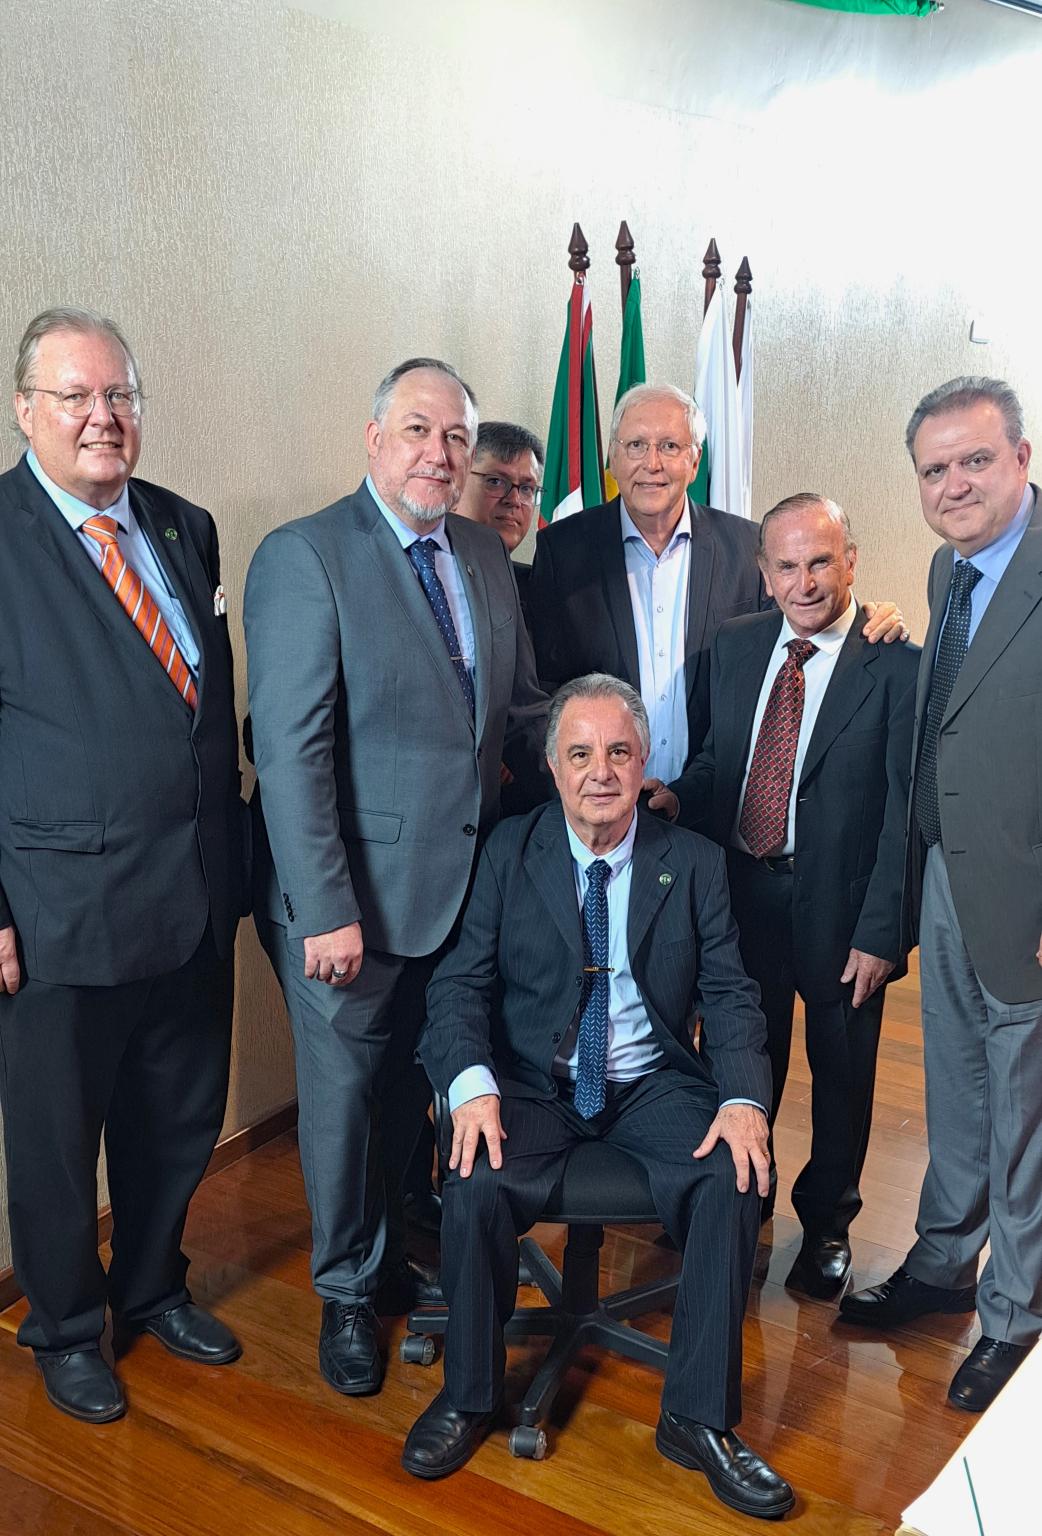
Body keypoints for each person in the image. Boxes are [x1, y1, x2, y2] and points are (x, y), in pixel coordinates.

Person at [405, 674, 794, 1521]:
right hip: (533, 1081)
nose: (601, 772)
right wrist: (470, 1088)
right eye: (580, 754)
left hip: (651, 1082)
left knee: (731, 1174)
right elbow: (459, 986)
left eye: (619, 752)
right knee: (473, 1176)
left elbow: (732, 996)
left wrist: (743, 1102)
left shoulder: (693, 862)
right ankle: (468, 1396)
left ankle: (698, 1420)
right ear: (553, 767)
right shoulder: (510, 851)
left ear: (643, 761)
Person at [244, 358, 548, 1401]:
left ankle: (388, 1256)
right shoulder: (306, 555)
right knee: (341, 1106)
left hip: (459, 893)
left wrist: (603, 757)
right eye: (417, 429)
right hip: (348, 905)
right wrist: (324, 908)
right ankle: (345, 1293)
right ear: (374, 438)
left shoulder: (483, 552)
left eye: (456, 436)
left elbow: (518, 711)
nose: (438, 453)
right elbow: (291, 753)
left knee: (412, 1091)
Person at [0, 307, 246, 1424]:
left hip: (192, 895)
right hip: (59, 908)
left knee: (178, 1119)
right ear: (26, 411)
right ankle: (63, 1327)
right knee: (59, 1143)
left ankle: (151, 1286)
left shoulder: (185, 527)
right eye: (75, 397)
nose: (102, 417)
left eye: (120, 396)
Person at [654, 495, 918, 1287]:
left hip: (842, 907)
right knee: (742, 1056)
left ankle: (828, 1225)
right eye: (788, 566)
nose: (805, 583)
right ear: (764, 574)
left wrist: (882, 932)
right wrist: (675, 799)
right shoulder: (735, 645)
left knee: (841, 1071)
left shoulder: (896, 665)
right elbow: (719, 761)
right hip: (742, 897)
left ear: (851, 562)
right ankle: (743, 1196)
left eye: (821, 562)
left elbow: (905, 817)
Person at [840, 377, 1042, 1412]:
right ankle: (942, 1263)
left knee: (1024, 1114)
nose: (953, 484)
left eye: (975, 460)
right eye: (933, 470)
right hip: (948, 872)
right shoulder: (947, 568)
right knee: (958, 1083)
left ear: (1022, 458)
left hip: (1027, 894)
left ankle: (1014, 1312)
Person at [526, 383, 907, 781]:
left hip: (712, 796)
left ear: (695, 461)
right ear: (613, 457)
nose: (652, 464)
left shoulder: (748, 547)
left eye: (670, 446)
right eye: (636, 445)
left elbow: (802, 630)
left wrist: (865, 620)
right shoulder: (563, 549)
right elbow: (544, 684)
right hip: (600, 795)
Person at [456, 419, 544, 619]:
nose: (514, 500)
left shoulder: (540, 591)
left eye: (526, 488)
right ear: (456, 483)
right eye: (495, 481)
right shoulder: (420, 575)